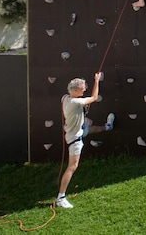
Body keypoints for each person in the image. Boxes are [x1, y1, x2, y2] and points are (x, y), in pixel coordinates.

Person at [55, 73, 115, 208]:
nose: (84, 89)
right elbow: (94, 97)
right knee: (72, 166)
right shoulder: (76, 102)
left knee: (90, 129)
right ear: (76, 91)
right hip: (74, 138)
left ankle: (107, 127)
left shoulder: (65, 97)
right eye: (82, 88)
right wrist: (96, 81)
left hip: (78, 130)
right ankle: (60, 197)